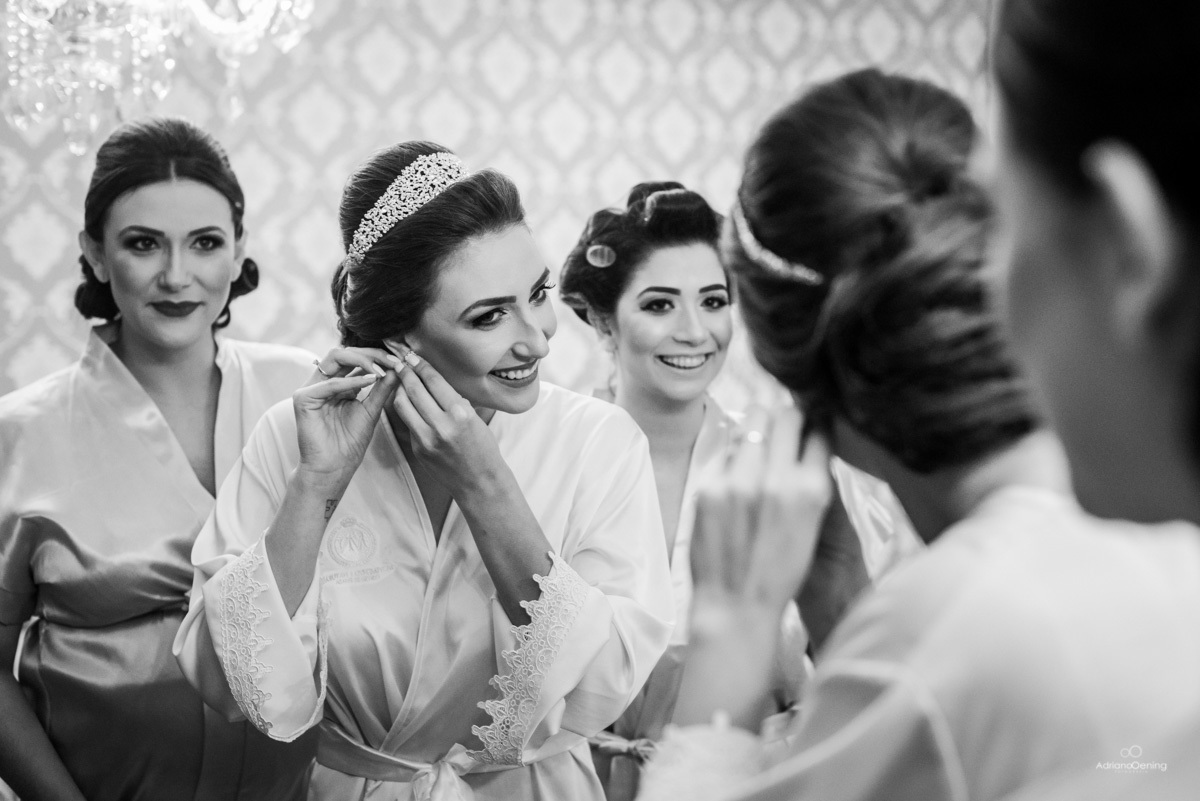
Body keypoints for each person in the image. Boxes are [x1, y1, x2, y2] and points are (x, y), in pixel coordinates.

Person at [635, 66, 1200, 801]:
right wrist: (842, 610)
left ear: (790, 362)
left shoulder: (935, 633)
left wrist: (731, 629)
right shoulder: (1162, 526)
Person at [173, 141, 675, 801]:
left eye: (538, 293)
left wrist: (485, 485)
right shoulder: (296, 440)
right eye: (490, 315)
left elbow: (608, 678)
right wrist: (316, 485)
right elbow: (229, 680)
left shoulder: (600, 442)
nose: (539, 336)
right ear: (403, 335)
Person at [0, 117, 318, 801]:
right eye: (143, 244)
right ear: (93, 253)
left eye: (205, 243)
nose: (176, 276)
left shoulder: (306, 394)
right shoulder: (19, 433)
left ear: (238, 253)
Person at [558, 182, 810, 800]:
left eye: (714, 301)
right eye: (660, 305)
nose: (696, 331)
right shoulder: (553, 465)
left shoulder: (778, 470)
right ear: (601, 319)